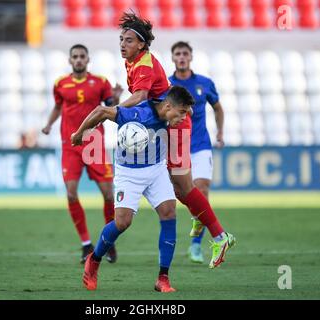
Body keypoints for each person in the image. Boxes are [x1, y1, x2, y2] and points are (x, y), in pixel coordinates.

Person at [117, 12, 235, 268]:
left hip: (177, 126)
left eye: (127, 40)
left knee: (184, 187)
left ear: (141, 44)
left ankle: (220, 236)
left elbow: (139, 97)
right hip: (169, 126)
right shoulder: (134, 62)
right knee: (180, 188)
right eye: (121, 39)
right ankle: (211, 227)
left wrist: (111, 112)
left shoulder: (145, 64)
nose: (122, 44)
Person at [71, 86, 194, 292]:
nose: (183, 117)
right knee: (122, 222)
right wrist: (79, 134)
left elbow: (184, 107)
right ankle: (94, 260)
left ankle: (163, 278)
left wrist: (185, 107)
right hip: (129, 173)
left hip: (156, 169)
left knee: (169, 213)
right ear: (168, 106)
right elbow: (101, 111)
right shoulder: (138, 114)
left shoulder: (169, 109)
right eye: (181, 113)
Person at [42, 44, 122, 264]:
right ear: (70, 61)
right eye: (75, 57)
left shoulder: (101, 82)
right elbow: (58, 107)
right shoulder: (60, 84)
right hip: (70, 145)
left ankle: (109, 242)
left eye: (82, 57)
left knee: (108, 194)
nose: (78, 60)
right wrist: (48, 124)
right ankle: (86, 244)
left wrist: (115, 98)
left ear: (88, 60)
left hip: (94, 143)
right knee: (70, 194)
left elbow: (109, 107)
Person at [169, 41, 227, 263]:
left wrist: (220, 132)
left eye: (185, 53)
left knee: (201, 190)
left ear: (191, 57)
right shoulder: (167, 84)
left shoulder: (205, 83)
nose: (182, 57)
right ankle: (198, 215)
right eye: (178, 54)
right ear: (173, 58)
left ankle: (196, 245)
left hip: (201, 145)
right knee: (183, 193)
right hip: (177, 147)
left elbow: (218, 108)